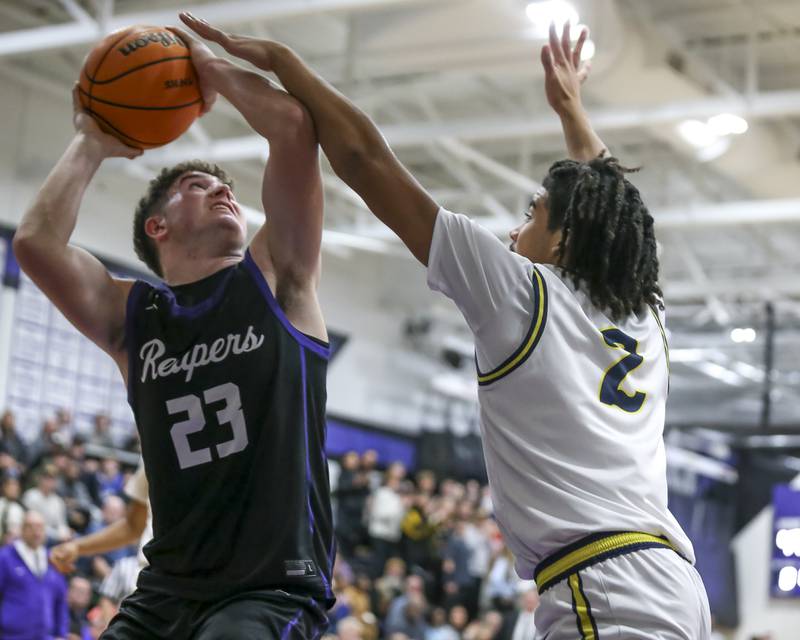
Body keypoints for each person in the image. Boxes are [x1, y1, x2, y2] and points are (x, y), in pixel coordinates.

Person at [181, 14, 711, 639]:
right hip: (669, 581)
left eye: (532, 214)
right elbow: (618, 210)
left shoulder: (523, 291)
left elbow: (364, 157)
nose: (515, 232)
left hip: (606, 587)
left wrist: (284, 62)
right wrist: (571, 111)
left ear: (566, 238)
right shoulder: (642, 312)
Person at [14, 27, 334, 639]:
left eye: (226, 187)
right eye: (197, 185)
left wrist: (207, 71)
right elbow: (35, 245)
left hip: (271, 586)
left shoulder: (278, 278)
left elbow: (293, 128)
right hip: (166, 590)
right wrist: (93, 139)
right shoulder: (132, 318)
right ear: (157, 227)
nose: (222, 189)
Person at [0, 510, 69, 639]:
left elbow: (60, 600)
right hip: (11, 636)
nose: (36, 532)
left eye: (40, 527)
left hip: (44, 636)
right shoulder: (5, 557)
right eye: (30, 527)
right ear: (22, 529)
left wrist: (61, 634)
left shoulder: (53, 560)